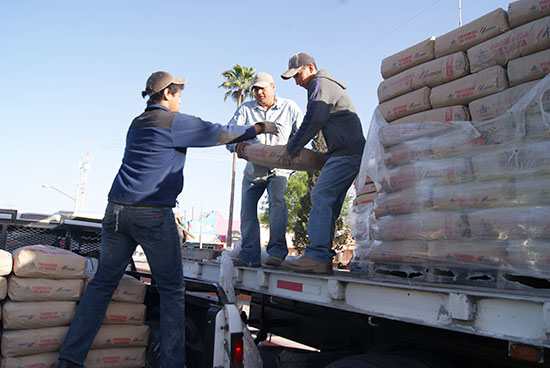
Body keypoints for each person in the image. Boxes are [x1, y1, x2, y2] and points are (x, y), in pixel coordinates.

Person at [57, 71, 277, 368]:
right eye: (179, 94)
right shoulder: (174, 122)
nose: (181, 99)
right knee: (172, 290)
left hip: (116, 211)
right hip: (152, 213)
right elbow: (219, 132)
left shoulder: (137, 123)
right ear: (167, 94)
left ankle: (69, 359)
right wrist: (257, 127)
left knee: (102, 285)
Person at [279, 53, 366, 275]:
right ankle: (321, 258)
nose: (297, 82)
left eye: (297, 75)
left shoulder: (320, 83)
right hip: (347, 152)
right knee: (330, 202)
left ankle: (317, 256)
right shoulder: (324, 85)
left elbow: (315, 118)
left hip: (346, 153)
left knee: (321, 196)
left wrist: (292, 147)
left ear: (310, 67)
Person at [226, 72, 303, 267]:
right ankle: (249, 253)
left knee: (277, 203)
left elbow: (304, 132)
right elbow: (229, 134)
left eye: (263, 88)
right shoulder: (245, 110)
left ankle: (277, 252)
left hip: (280, 169)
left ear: (273, 87)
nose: (259, 92)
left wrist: (293, 151)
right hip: (254, 169)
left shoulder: (289, 107)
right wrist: (237, 146)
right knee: (247, 210)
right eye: (255, 89)